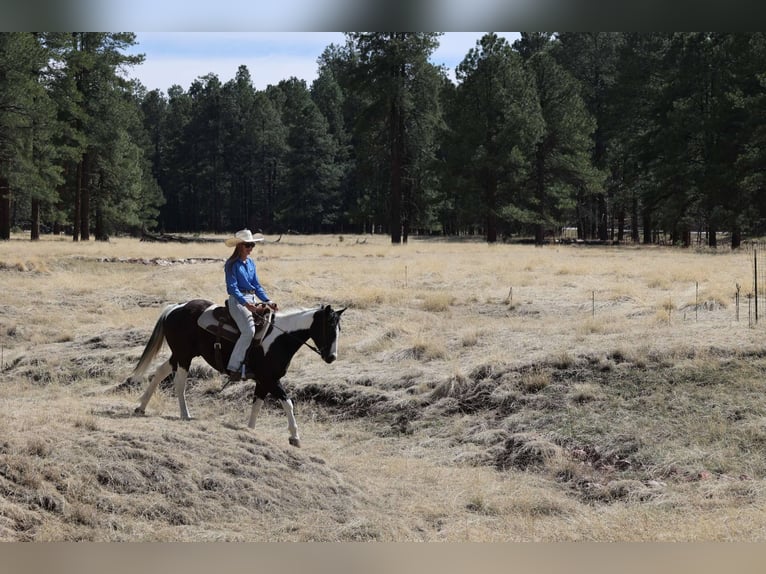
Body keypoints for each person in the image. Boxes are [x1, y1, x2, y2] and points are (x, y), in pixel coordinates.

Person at [223, 229, 278, 381]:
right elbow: (232, 288)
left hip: (252, 299)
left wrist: (267, 301)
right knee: (248, 332)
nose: (251, 248)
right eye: (248, 245)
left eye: (252, 245)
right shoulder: (231, 264)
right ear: (240, 246)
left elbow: (256, 285)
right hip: (238, 300)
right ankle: (234, 368)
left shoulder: (251, 263)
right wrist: (245, 303)